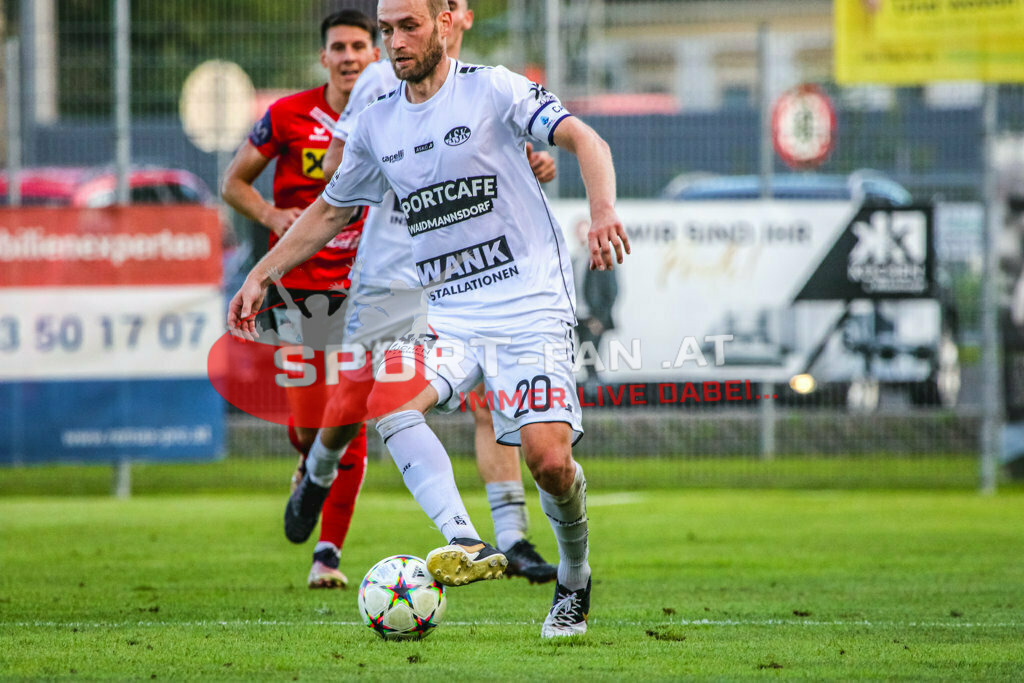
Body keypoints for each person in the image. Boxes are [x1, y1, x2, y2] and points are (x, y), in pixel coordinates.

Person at [228, 0, 629, 638]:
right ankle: (465, 540)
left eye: (408, 26)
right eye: (386, 29)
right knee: (387, 400)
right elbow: (330, 208)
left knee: (549, 463)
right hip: (447, 313)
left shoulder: (494, 88)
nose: (394, 41)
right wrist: (261, 272)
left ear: (446, 22)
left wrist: (602, 210)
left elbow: (587, 138)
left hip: (528, 307)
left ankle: (574, 578)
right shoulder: (376, 120)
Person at [295, 0, 561, 585]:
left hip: (461, 279)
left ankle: (510, 540)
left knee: (494, 400)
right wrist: (409, 173)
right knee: (355, 405)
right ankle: (317, 471)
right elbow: (338, 166)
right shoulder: (381, 80)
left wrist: (528, 163)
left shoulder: (483, 84)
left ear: (456, 17)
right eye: (391, 27)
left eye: (456, 6)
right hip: (391, 272)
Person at [221, 9, 380, 589]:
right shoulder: (287, 115)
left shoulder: (395, 113)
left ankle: (327, 555)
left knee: (351, 419)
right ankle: (308, 464)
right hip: (300, 290)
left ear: (376, 54)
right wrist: (271, 215)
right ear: (324, 57)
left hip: (366, 288)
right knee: (311, 429)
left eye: (359, 46)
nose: (349, 57)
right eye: (339, 47)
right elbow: (232, 182)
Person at [572, 219, 619, 396]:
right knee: (585, 358)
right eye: (579, 232)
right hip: (578, 316)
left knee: (592, 357)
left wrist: (600, 318)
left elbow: (612, 291)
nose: (582, 236)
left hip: (594, 316)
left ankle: (597, 396)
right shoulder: (575, 258)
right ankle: (593, 394)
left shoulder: (602, 257)